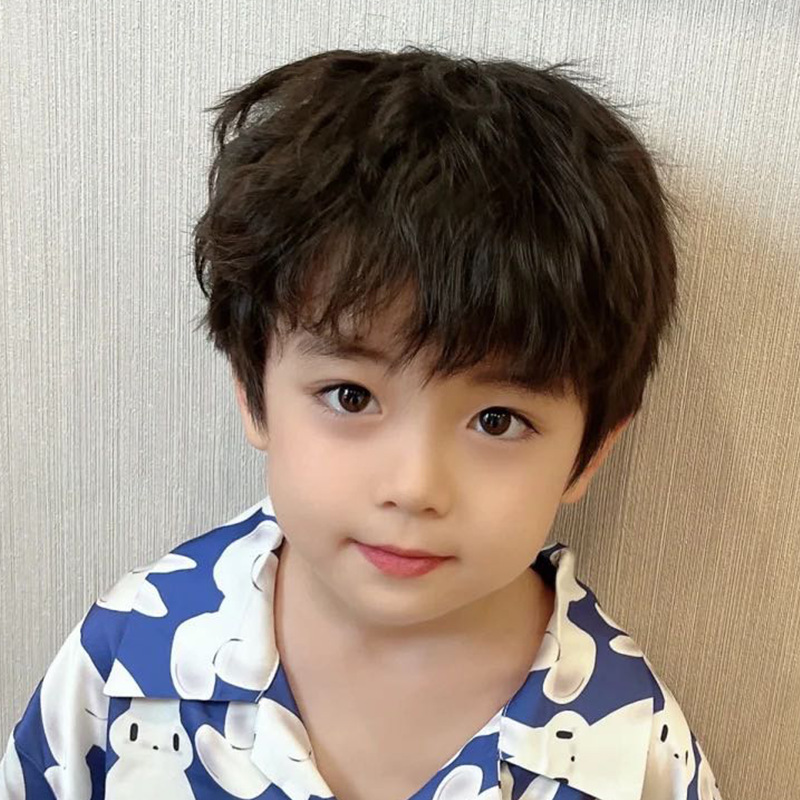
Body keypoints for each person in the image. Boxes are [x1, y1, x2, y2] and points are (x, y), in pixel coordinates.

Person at [0, 45, 723, 800]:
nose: (414, 487)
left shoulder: (634, 755)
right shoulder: (126, 659)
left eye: (497, 420)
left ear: (591, 452)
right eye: (350, 396)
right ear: (252, 389)